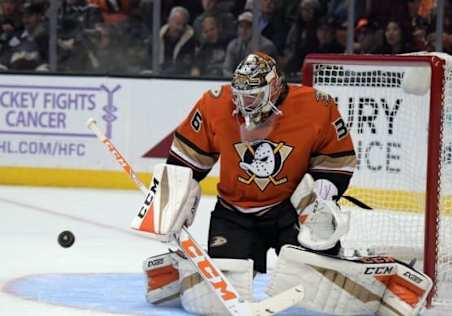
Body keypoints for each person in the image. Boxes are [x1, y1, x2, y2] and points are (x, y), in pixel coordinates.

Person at [139, 52, 433, 316]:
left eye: (253, 96)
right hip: (234, 213)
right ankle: (177, 272)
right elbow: (187, 157)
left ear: (275, 87)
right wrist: (173, 196)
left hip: (290, 210)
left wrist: (329, 182)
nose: (243, 104)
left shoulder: (318, 106)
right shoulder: (215, 103)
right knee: (221, 291)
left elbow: (337, 155)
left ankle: (365, 275)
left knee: (318, 279)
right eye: (239, 95)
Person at [222, 11, 278, 76]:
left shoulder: (266, 46)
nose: (243, 30)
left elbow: (263, 73)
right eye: (241, 26)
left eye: (247, 27)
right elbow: (227, 69)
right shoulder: (233, 45)